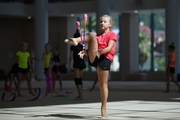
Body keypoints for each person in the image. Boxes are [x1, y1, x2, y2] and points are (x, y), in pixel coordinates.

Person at [65, 15, 117, 119]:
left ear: (110, 24)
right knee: (92, 34)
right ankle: (77, 40)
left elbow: (109, 48)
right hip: (96, 57)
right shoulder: (97, 36)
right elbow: (91, 51)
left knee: (102, 86)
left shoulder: (112, 34)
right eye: (101, 21)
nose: (102, 23)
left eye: (105, 22)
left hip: (105, 59)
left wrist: (99, 52)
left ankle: (103, 108)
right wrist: (84, 52)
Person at [68, 29, 86, 100]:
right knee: (80, 79)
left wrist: (69, 66)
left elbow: (71, 57)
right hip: (82, 62)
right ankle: (80, 94)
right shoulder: (81, 46)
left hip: (77, 63)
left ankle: (80, 94)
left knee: (77, 79)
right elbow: (84, 55)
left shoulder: (72, 46)